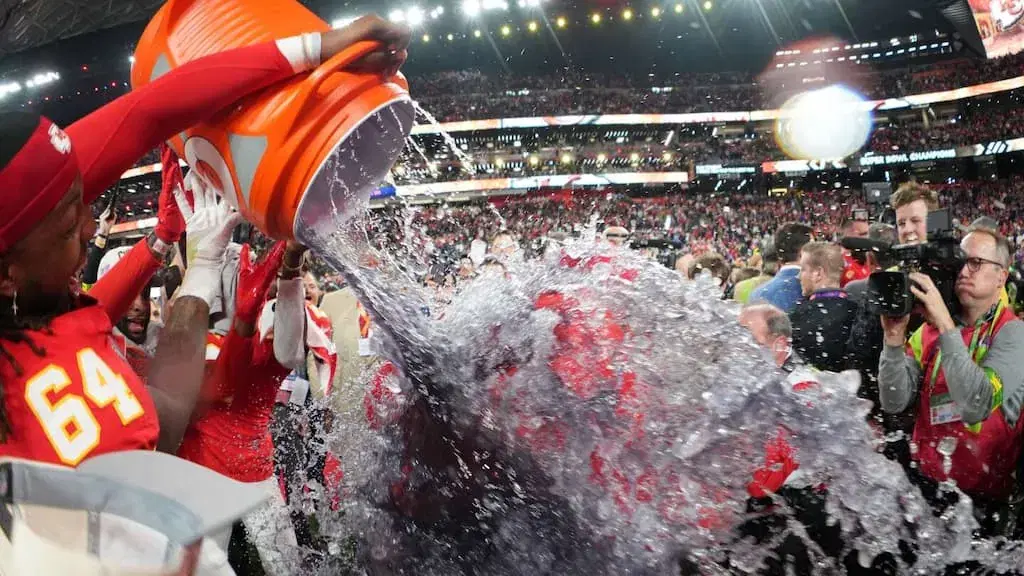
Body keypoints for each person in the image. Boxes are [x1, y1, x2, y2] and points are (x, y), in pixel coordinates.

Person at [0, 16, 410, 464]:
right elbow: (166, 418)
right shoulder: (33, 398)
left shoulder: (21, 211)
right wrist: (202, 270)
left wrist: (316, 47)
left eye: (85, 200)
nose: (89, 227)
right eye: (68, 227)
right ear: (6, 277)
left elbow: (150, 111)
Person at [878, 225, 1024, 534]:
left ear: (1001, 276)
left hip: (982, 504)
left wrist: (945, 323)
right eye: (961, 262)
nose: (964, 271)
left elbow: (976, 404)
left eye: (976, 263)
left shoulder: (1014, 334)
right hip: (925, 486)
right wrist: (893, 338)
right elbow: (893, 401)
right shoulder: (928, 332)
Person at [790, 242, 858, 373]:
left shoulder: (796, 317)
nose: (798, 276)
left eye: (803, 269)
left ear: (818, 273)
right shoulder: (859, 312)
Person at [750, 222, 813, 313]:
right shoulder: (812, 289)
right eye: (814, 248)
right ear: (803, 252)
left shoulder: (757, 294)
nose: (818, 253)